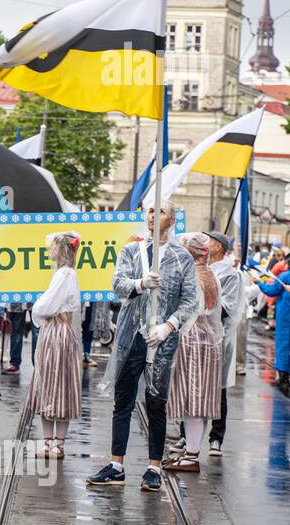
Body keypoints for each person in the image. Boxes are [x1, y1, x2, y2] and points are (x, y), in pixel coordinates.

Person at [87, 200, 199, 492]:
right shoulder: (131, 251)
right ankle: (116, 465)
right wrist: (139, 284)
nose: (152, 216)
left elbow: (190, 301)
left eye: (159, 211)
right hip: (130, 337)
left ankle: (153, 467)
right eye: (150, 211)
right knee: (122, 400)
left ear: (172, 219)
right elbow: (118, 284)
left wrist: (168, 326)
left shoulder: (181, 258)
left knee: (155, 403)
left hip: (161, 340)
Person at [161, 233, 223, 472]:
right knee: (200, 397)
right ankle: (192, 452)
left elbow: (188, 309)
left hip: (192, 335)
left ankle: (191, 455)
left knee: (193, 398)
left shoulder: (193, 275)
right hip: (207, 336)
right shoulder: (211, 274)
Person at [28, 232, 82, 460]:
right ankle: (55, 443)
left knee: (50, 383)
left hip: (56, 332)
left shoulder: (64, 275)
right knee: (60, 385)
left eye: (52, 248)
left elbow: (45, 307)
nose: (49, 251)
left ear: (60, 250)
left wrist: (37, 308)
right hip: (63, 332)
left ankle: (52, 443)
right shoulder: (67, 274)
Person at [207, 232, 245, 456]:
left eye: (210, 241)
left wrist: (202, 306)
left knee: (218, 389)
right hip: (196, 336)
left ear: (219, 247)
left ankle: (216, 438)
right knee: (193, 386)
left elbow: (225, 308)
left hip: (218, 337)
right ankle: (185, 435)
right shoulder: (201, 268)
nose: (205, 245)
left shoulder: (229, 274)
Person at [256, 249, 290, 395]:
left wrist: (259, 282)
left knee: (284, 344)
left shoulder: (285, 275)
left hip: (286, 315)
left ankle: (284, 377)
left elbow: (272, 290)